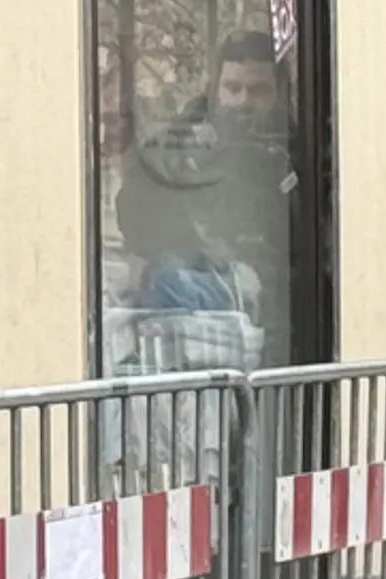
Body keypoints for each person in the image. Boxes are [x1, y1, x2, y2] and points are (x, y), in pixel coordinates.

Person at [114, 32, 305, 368]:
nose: (244, 101)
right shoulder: (184, 141)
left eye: (258, 90)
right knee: (167, 277)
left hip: (279, 293)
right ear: (215, 89)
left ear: (279, 93)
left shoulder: (299, 150)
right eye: (233, 88)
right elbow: (134, 207)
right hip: (201, 285)